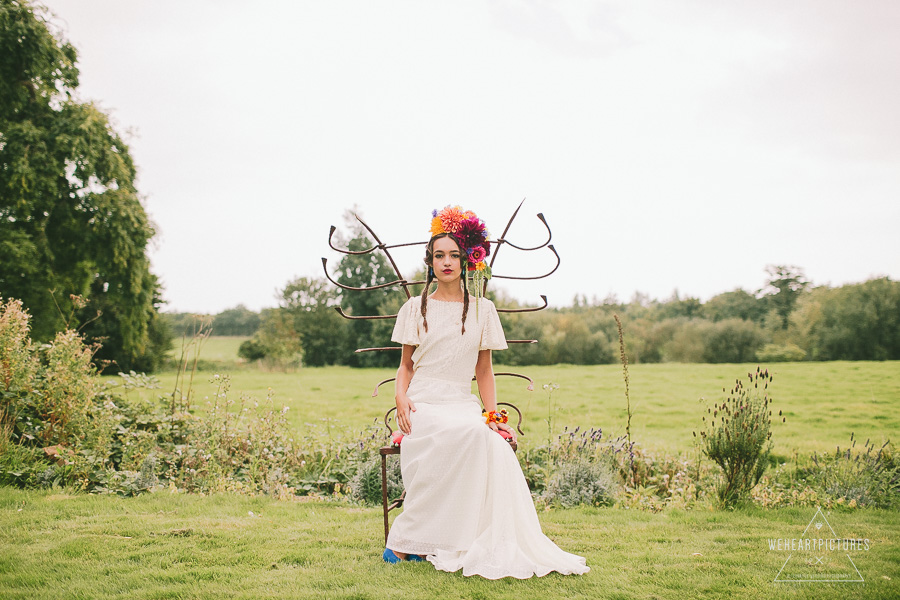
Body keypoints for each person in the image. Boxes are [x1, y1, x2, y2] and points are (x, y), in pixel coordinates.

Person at [382, 206, 589, 579]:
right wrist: (401, 396)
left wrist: (491, 416)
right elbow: (406, 366)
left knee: (484, 439)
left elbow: (483, 370)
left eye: (454, 255)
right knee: (448, 433)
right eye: (439, 255)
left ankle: (465, 536)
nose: (447, 262)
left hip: (461, 401)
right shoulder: (415, 308)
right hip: (424, 399)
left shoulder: (483, 310)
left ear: (467, 262)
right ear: (429, 262)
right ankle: (405, 539)